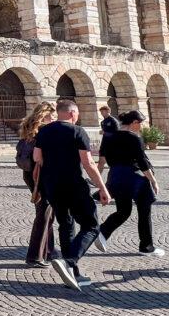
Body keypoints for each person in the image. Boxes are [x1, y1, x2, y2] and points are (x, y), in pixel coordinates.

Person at [33, 99, 111, 291]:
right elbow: (88, 163)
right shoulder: (77, 131)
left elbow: (36, 157)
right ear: (72, 113)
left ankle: (72, 273)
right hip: (73, 184)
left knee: (66, 224)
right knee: (91, 226)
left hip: (52, 186)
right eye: (77, 113)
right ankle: (69, 261)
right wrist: (102, 188)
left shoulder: (44, 131)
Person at [93, 110, 165, 257]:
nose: (142, 127)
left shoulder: (109, 137)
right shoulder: (134, 138)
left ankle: (103, 232)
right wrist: (153, 180)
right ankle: (146, 247)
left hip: (116, 176)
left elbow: (102, 159)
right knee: (144, 211)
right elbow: (142, 162)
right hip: (135, 177)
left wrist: (102, 181)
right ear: (134, 123)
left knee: (123, 211)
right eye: (141, 123)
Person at [16, 102, 56, 267]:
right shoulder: (44, 131)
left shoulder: (28, 126)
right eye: (51, 116)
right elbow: (41, 156)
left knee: (47, 212)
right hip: (40, 173)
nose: (53, 119)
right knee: (44, 213)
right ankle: (35, 256)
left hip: (29, 173)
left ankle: (49, 251)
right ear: (44, 115)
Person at [95, 105, 119, 173]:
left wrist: (105, 133)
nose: (102, 113)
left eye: (103, 112)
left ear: (108, 111)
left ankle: (115, 177)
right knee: (101, 162)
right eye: (101, 112)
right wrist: (103, 133)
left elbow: (117, 133)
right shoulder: (102, 122)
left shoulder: (113, 121)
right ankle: (96, 178)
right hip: (104, 145)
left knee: (112, 164)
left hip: (112, 145)